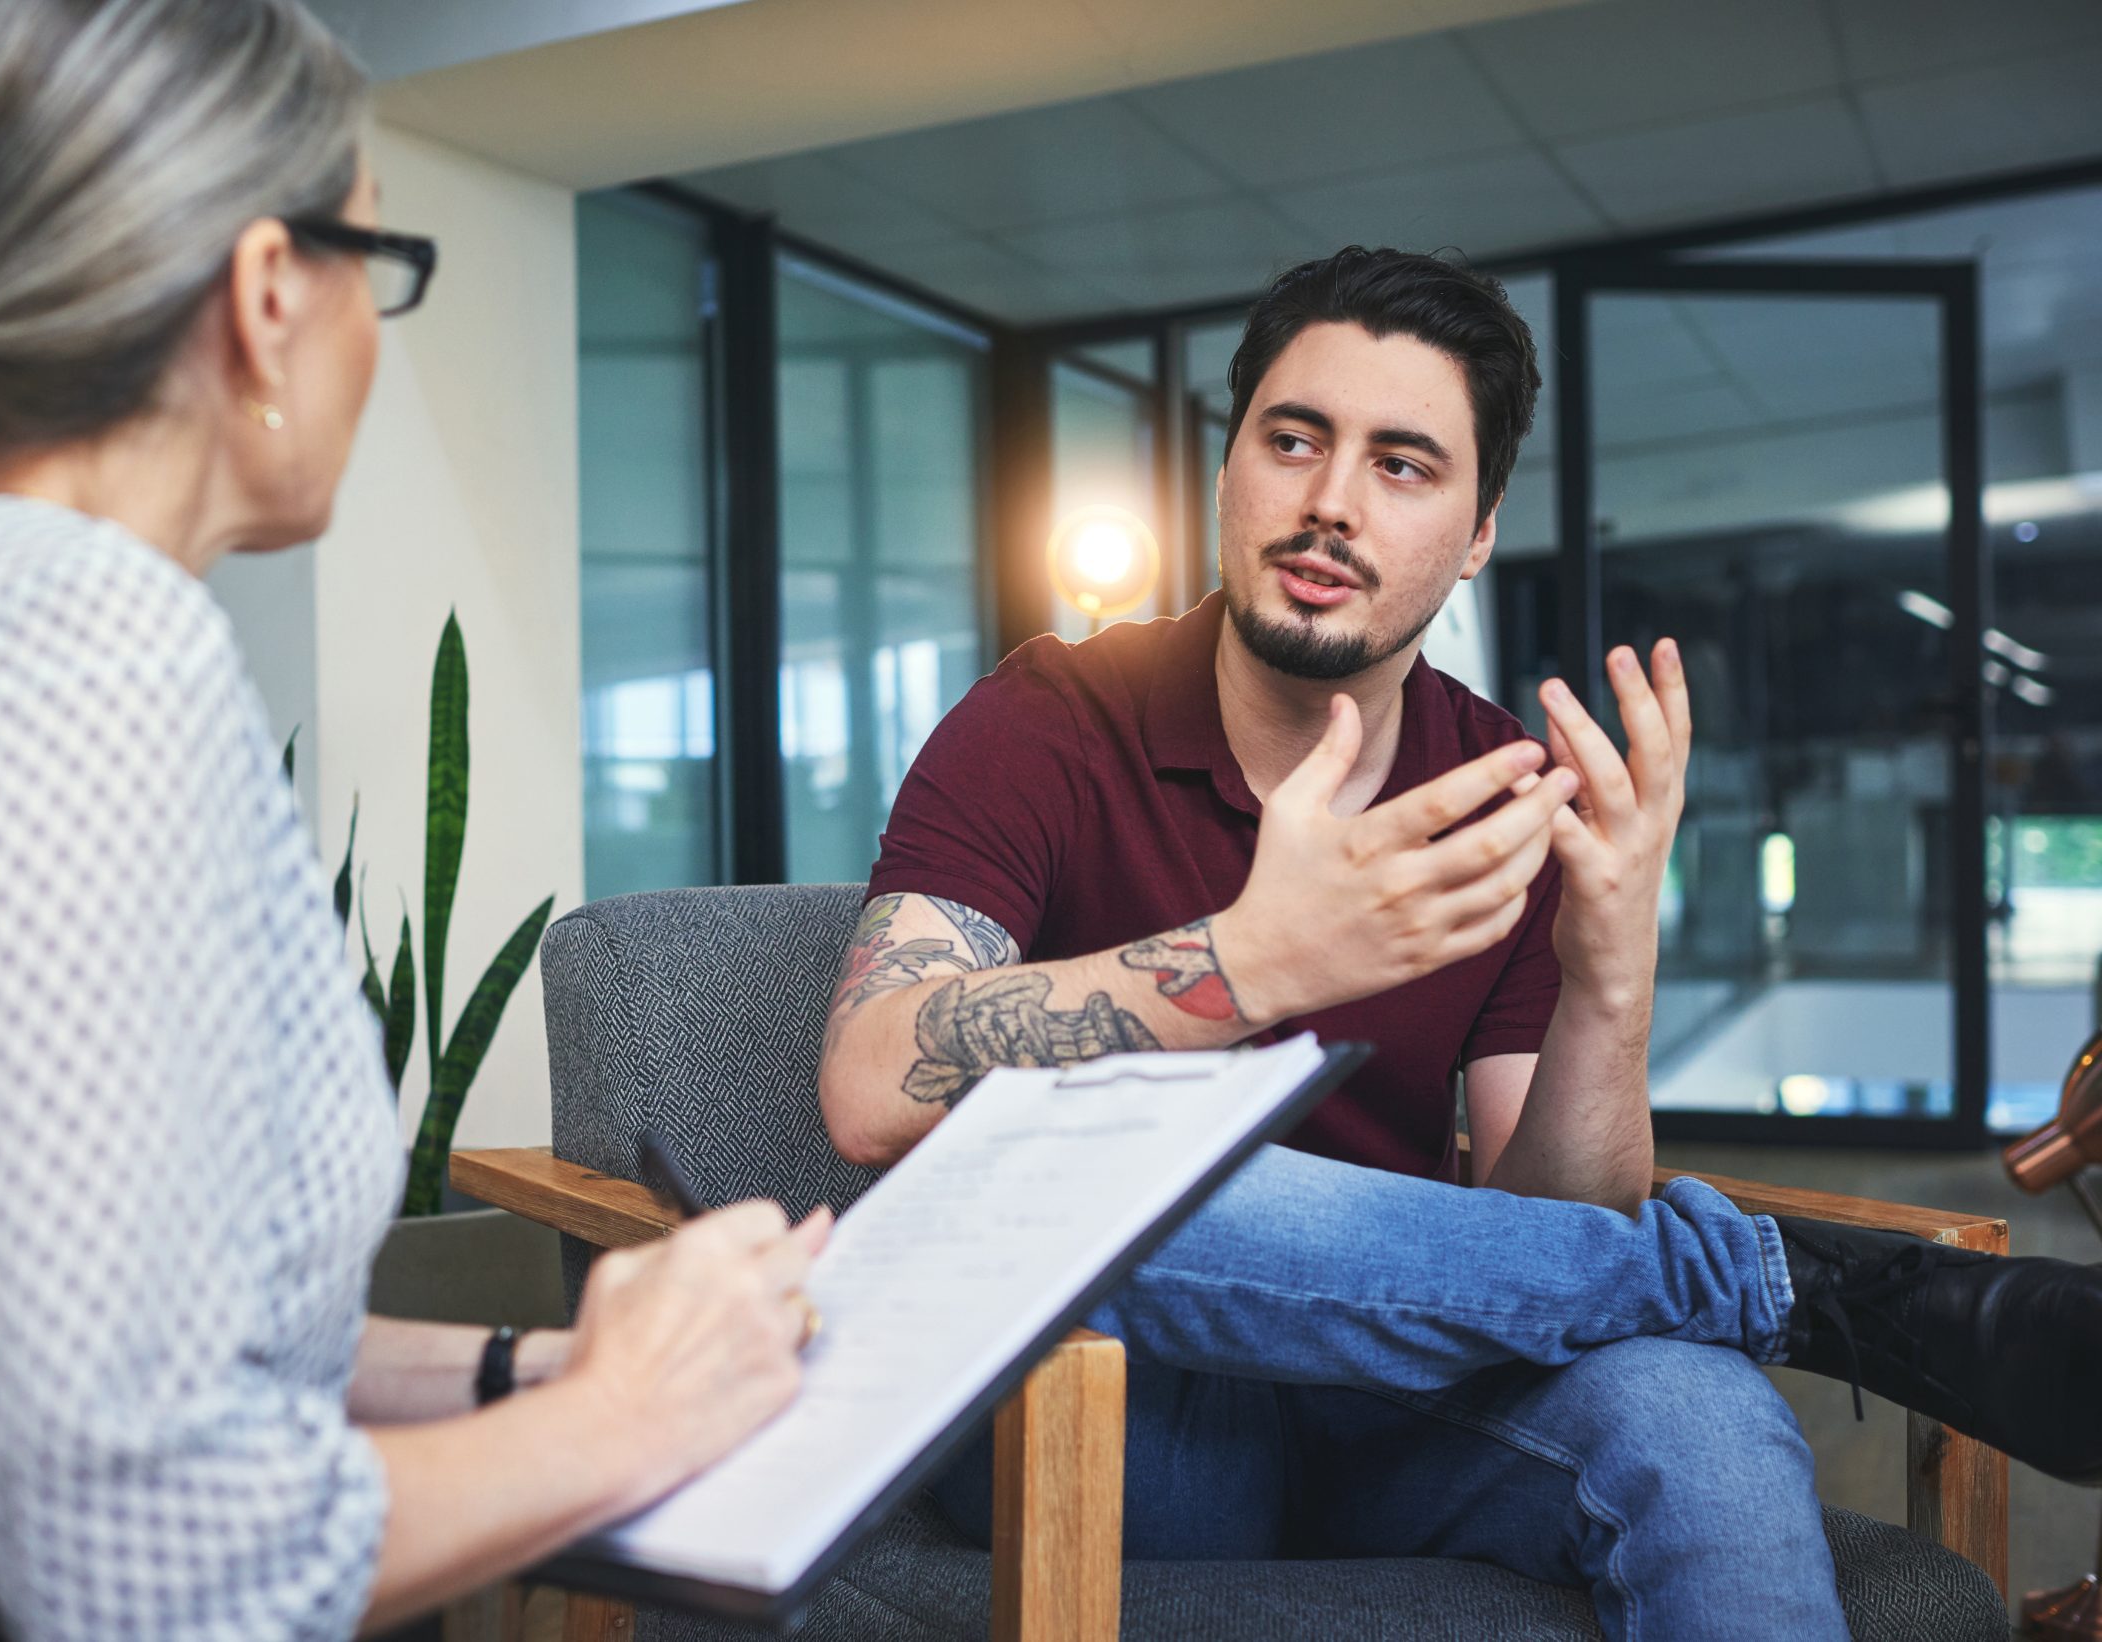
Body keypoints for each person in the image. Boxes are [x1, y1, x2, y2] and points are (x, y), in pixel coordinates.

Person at [0, 4, 830, 1640]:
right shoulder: (79, 664)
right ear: (269, 287)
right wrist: (634, 1417)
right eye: (381, 256)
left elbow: (125, 1329)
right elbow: (142, 1550)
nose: (380, 325)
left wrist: (543, 1363)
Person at [819, 247, 2102, 1640]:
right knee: (1068, 1181)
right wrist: (1251, 957)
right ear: (1230, 466)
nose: (1327, 503)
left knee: (1699, 1409)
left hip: (1398, 1388)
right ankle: (1764, 1281)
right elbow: (872, 1080)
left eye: (1403, 465)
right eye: (1293, 440)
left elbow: (1544, 1222)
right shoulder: (1047, 719)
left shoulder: (1499, 789)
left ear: (1480, 528)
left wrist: (1612, 974)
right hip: (1103, 1406)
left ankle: (1753, 1296)